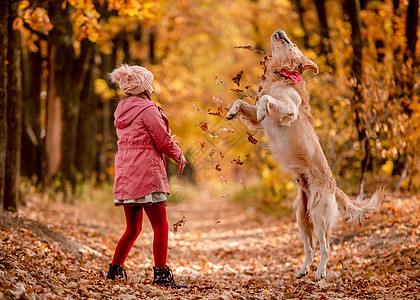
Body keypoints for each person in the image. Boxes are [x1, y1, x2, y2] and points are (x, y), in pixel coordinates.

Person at [105, 64, 188, 289]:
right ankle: (161, 275)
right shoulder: (148, 109)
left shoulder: (121, 111)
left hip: (126, 172)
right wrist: (177, 153)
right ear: (144, 87)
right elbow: (161, 139)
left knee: (132, 228)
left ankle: (113, 272)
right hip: (146, 173)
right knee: (160, 225)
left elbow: (139, 139)